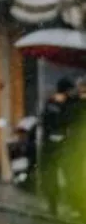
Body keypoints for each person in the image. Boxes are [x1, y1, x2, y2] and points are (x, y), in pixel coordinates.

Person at [40, 77, 78, 215]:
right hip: (64, 146)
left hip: (51, 145)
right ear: (67, 90)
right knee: (68, 175)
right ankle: (69, 205)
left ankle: (54, 205)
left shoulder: (50, 102)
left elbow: (44, 122)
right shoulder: (69, 103)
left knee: (53, 176)